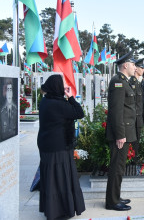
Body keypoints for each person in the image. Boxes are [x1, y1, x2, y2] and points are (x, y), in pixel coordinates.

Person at [37, 74, 85, 219]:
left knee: (51, 178)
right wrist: (70, 97)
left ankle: (51, 209)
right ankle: (60, 210)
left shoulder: (46, 101)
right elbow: (79, 113)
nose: (65, 86)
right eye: (63, 84)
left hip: (46, 145)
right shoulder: (59, 104)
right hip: (58, 146)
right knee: (59, 178)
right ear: (57, 87)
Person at [105, 53, 137, 211]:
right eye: (133, 65)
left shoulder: (123, 81)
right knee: (116, 167)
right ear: (125, 65)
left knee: (120, 167)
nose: (135, 67)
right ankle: (112, 201)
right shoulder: (118, 82)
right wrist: (120, 135)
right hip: (120, 133)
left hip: (124, 131)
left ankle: (115, 196)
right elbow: (116, 111)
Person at [130, 58, 144, 161]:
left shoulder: (138, 83)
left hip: (139, 117)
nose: (143, 70)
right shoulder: (132, 82)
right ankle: (133, 160)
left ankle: (135, 158)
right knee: (133, 141)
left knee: (137, 141)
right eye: (142, 68)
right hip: (134, 118)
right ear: (136, 69)